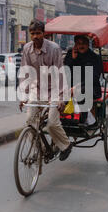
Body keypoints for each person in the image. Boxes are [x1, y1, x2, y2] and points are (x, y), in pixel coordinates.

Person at [19, 19, 73, 161]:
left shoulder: (54, 49)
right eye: (32, 33)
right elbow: (25, 72)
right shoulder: (27, 49)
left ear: (44, 33)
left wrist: (61, 98)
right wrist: (23, 97)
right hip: (36, 89)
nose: (35, 36)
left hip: (55, 90)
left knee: (51, 124)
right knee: (30, 121)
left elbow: (60, 74)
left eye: (38, 33)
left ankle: (66, 145)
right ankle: (41, 149)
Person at [64, 35, 102, 125]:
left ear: (88, 44)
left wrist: (77, 87)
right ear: (75, 44)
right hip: (72, 86)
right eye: (78, 43)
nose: (81, 46)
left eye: (83, 43)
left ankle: (84, 119)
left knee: (81, 91)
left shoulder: (95, 57)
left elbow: (94, 77)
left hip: (90, 88)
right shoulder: (70, 54)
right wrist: (73, 59)